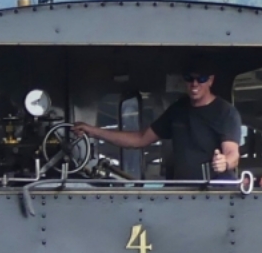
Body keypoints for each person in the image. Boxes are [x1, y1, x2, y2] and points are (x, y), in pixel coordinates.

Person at [74, 64, 241, 181]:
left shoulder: (225, 112)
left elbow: (232, 153)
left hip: (215, 193)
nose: (194, 83)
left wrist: (224, 163)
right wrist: (94, 131)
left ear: (211, 80)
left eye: (201, 78)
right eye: (189, 78)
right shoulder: (178, 109)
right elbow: (140, 139)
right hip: (182, 192)